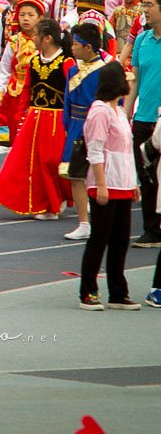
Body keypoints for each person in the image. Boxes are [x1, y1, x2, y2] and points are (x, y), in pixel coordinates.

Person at [0, 19, 75, 219]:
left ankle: (59, 198)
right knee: (32, 162)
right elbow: (27, 91)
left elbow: (72, 92)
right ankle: (45, 203)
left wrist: (70, 122)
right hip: (35, 119)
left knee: (52, 161)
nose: (33, 38)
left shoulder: (66, 62)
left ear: (47, 38)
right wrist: (21, 117)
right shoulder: (35, 62)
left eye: (36, 35)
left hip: (57, 119)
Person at [78, 61, 142, 310]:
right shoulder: (100, 111)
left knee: (120, 240)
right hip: (106, 183)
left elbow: (127, 150)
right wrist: (101, 185)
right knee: (99, 239)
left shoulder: (118, 111)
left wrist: (133, 182)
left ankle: (118, 292)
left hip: (123, 183)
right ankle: (88, 291)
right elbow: (95, 151)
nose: (129, 81)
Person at [60, 23, 109, 242]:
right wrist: (68, 126)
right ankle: (83, 222)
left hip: (97, 125)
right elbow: (67, 103)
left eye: (76, 45)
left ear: (88, 47)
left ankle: (104, 221)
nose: (72, 48)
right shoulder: (73, 70)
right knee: (76, 175)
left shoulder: (106, 71)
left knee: (101, 174)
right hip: (76, 125)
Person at [125, 0, 161, 249]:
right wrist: (125, 116)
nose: (144, 10)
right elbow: (135, 81)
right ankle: (151, 228)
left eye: (149, 5)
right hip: (143, 119)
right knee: (146, 176)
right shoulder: (142, 39)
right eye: (144, 4)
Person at [0, 0, 45, 149]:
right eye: (22, 15)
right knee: (16, 126)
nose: (25, 19)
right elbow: (4, 68)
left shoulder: (45, 40)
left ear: (40, 18)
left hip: (37, 92)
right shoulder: (14, 41)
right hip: (17, 92)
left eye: (30, 15)